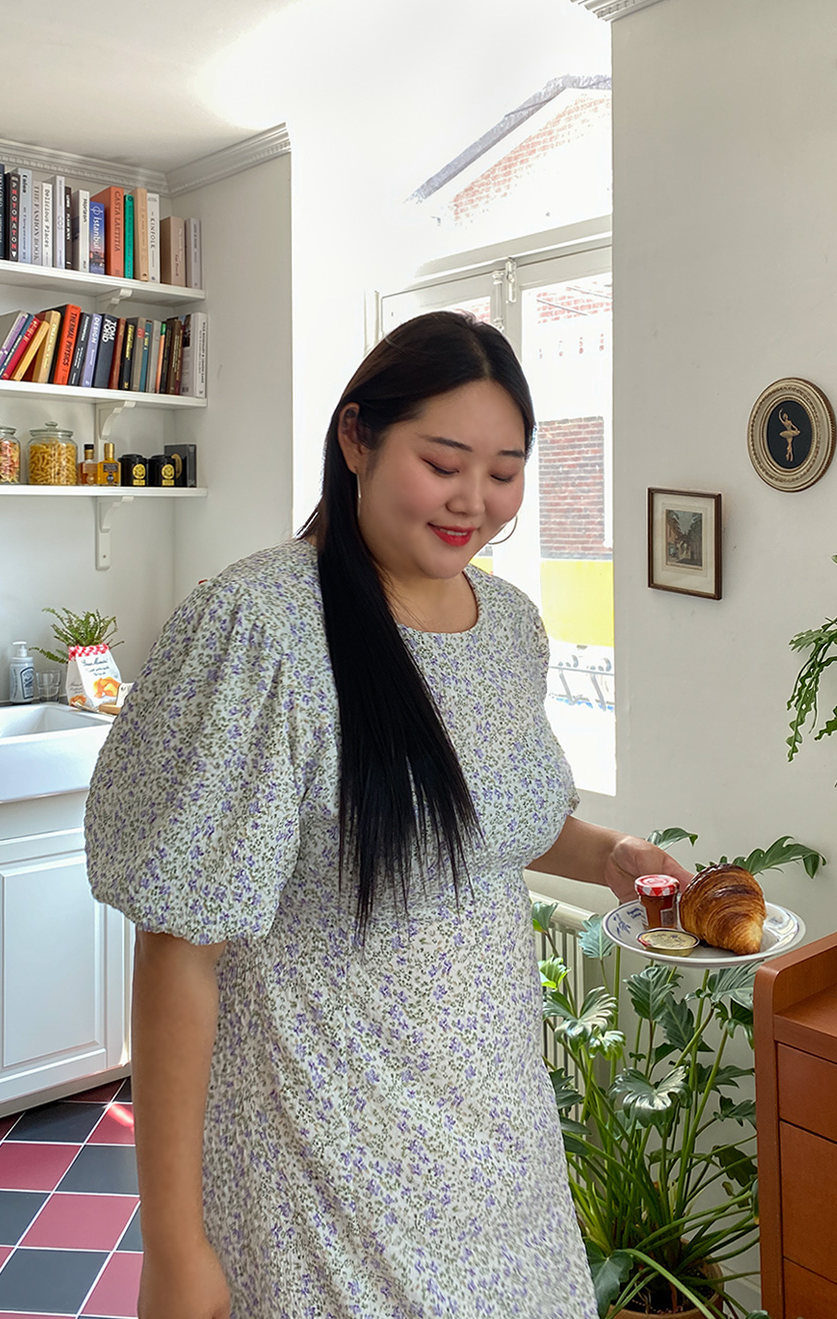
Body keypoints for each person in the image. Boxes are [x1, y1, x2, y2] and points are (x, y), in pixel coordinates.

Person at [84, 310, 692, 1319]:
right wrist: (175, 1246)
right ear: (356, 437)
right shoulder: (260, 628)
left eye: (504, 472)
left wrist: (611, 854)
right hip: (326, 1162)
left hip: (499, 1140)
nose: (474, 500)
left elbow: (484, 825)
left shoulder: (508, 627)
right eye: (443, 463)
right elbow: (178, 949)